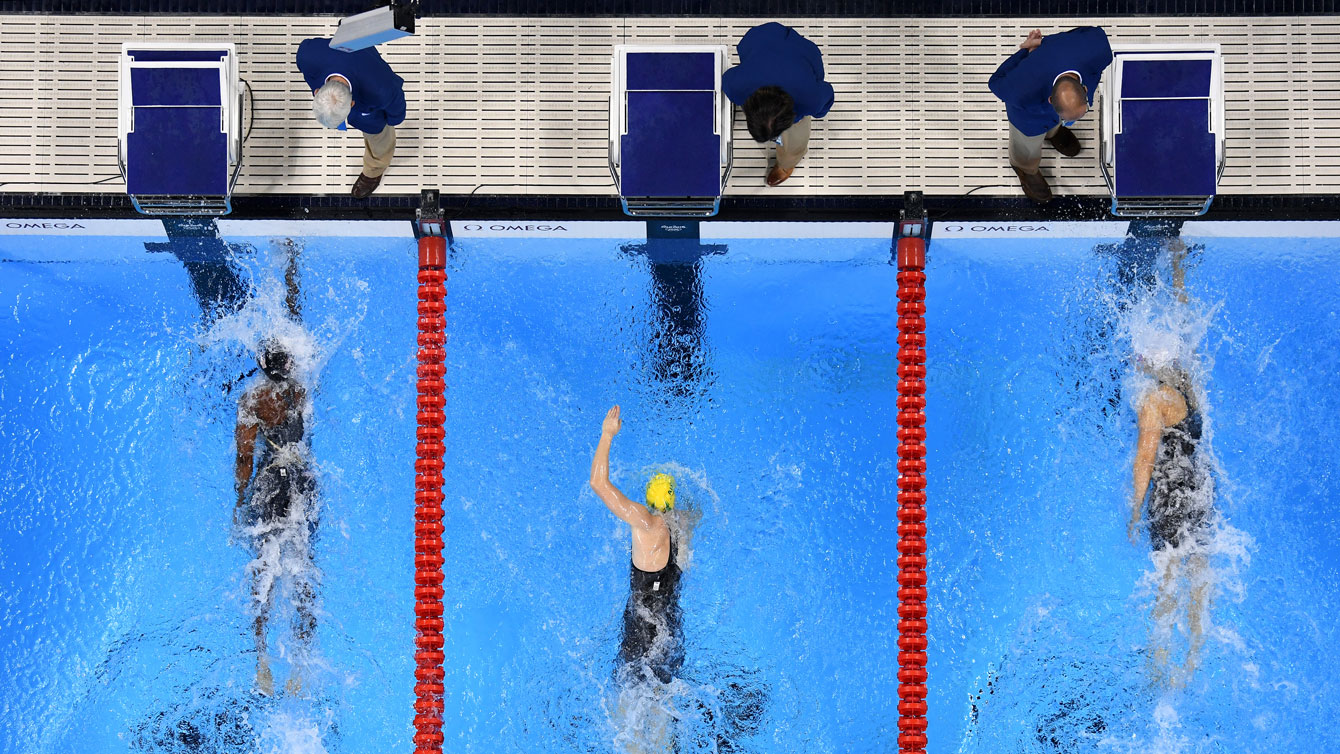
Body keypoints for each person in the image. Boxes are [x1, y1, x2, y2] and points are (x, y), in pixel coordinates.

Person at [1126, 240, 1213, 688]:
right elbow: (1184, 316)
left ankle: (1158, 666)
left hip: (1170, 496)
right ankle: (1194, 660)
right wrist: (1178, 269)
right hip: (1199, 486)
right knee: (1199, 570)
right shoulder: (1188, 381)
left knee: (1167, 576)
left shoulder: (1153, 401)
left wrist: (1135, 511)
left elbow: (1145, 460)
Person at [232, 248, 319, 696]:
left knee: (264, 567)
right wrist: (290, 268)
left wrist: (236, 504)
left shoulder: (251, 401)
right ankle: (301, 670)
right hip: (303, 480)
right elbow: (293, 314)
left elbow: (245, 461)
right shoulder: (302, 381)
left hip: (268, 484)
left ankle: (263, 662)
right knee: (303, 566)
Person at [589, 405, 684, 686]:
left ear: (648, 500)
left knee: (628, 698)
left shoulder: (646, 523)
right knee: (661, 696)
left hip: (640, 629)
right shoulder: (682, 526)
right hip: (670, 626)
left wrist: (607, 434)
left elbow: (598, 483)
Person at [988, 27, 1112, 203]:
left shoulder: (1097, 49)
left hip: (1048, 100)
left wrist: (1043, 43)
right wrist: (1025, 53)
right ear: (1049, 100)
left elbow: (1085, 33)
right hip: (1029, 120)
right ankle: (1025, 168)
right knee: (1026, 148)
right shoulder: (1019, 88)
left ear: (1084, 89)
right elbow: (995, 82)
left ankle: (1053, 132)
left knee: (1056, 123)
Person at [722, 22, 835, 187]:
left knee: (794, 142)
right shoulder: (737, 85)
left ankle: (786, 165)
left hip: (786, 45)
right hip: (764, 38)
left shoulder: (810, 98)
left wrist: (809, 110)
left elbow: (824, 100)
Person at [296, 37, 407, 199]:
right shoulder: (307, 56)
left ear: (353, 104)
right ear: (317, 92)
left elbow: (397, 112)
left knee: (380, 140)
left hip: (372, 113)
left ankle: (374, 169)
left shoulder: (381, 90)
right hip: (350, 51)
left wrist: (391, 122)